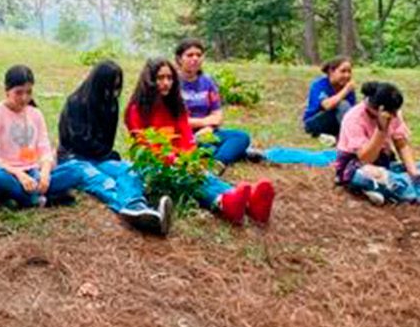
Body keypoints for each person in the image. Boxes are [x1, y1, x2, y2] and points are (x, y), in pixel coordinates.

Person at [124, 58, 275, 225]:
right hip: (153, 165)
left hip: (179, 161)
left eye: (169, 78)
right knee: (186, 180)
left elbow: (186, 138)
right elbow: (144, 144)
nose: (166, 82)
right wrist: (174, 162)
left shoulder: (176, 106)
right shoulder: (136, 109)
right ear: (149, 80)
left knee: (203, 176)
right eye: (160, 78)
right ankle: (221, 202)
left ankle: (249, 202)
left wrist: (190, 161)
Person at [55, 61, 172, 235]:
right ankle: (135, 209)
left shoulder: (111, 104)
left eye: (116, 87)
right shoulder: (76, 103)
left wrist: (107, 155)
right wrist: (106, 153)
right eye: (109, 87)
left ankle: (138, 209)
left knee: (129, 171)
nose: (113, 92)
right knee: (102, 181)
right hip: (75, 157)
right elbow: (76, 140)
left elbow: (108, 140)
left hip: (101, 156)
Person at [335, 81, 420, 207]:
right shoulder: (354, 118)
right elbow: (366, 158)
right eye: (392, 113)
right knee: (372, 175)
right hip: (357, 166)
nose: (395, 116)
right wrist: (381, 130)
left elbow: (401, 144)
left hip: (386, 163)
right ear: (380, 109)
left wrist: (413, 172)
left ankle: (386, 189)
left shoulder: (393, 113)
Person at [0, 65, 86, 208]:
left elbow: (44, 149)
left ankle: (27, 198)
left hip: (33, 171)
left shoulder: (35, 114)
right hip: (8, 173)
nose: (24, 98)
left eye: (28, 92)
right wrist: (19, 174)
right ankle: (40, 199)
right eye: (18, 93)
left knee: (77, 170)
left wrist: (44, 174)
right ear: (7, 90)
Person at [174, 38, 255, 167]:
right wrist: (205, 123)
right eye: (189, 55)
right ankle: (233, 154)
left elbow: (217, 115)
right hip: (183, 135)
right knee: (205, 147)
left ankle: (217, 162)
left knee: (241, 137)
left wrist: (209, 128)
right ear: (179, 59)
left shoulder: (208, 82)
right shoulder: (172, 83)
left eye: (199, 55)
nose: (195, 59)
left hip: (209, 133)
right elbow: (176, 120)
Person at [302, 57, 358, 140]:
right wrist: (346, 90)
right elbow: (327, 105)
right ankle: (351, 136)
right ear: (331, 71)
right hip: (314, 122)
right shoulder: (319, 84)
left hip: (336, 122)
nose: (347, 75)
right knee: (342, 104)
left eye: (349, 72)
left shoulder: (347, 87)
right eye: (343, 71)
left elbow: (351, 111)